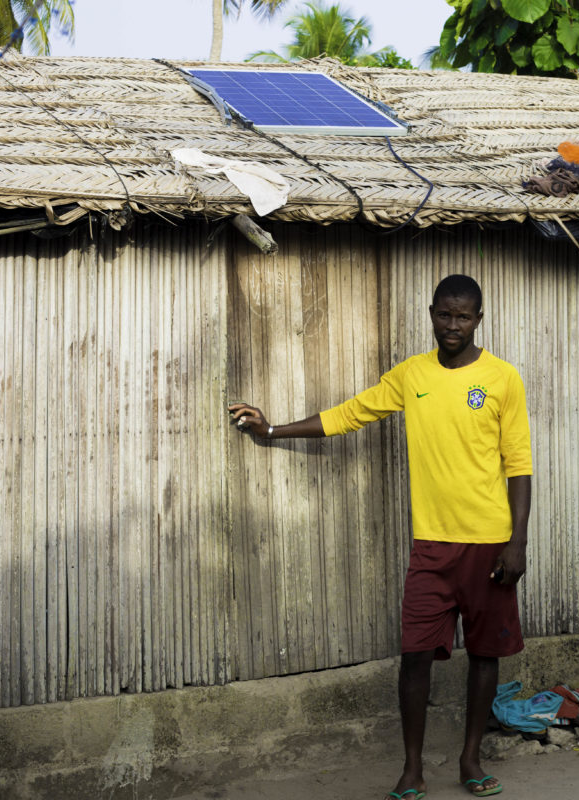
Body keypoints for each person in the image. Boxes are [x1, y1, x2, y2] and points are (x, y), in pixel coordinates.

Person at [229, 274, 532, 799]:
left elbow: (519, 466)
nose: (452, 325)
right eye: (444, 314)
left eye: (463, 317)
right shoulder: (412, 375)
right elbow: (350, 414)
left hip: (489, 541)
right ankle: (412, 769)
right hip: (432, 545)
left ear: (479, 319)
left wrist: (517, 542)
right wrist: (271, 430)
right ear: (431, 313)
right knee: (415, 655)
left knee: (485, 655)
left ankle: (470, 760)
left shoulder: (503, 378)